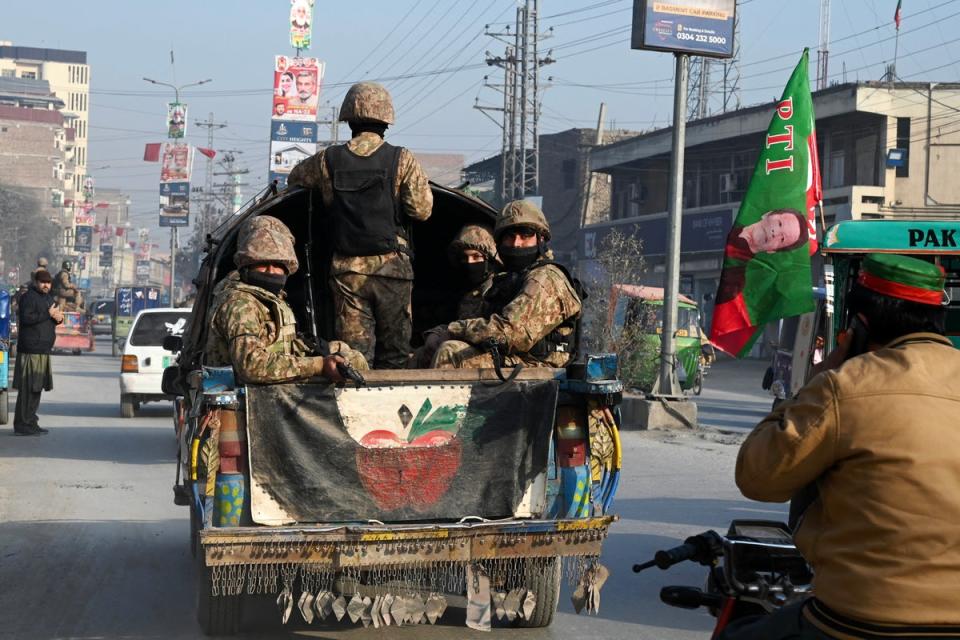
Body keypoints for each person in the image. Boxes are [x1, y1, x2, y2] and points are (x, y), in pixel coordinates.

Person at [726, 253, 960, 639]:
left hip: (861, 620)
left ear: (859, 326)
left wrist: (812, 384)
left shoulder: (844, 386)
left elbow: (757, 478)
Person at [287, 82, 433, 369]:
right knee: (396, 355)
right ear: (386, 119)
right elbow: (422, 210)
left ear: (348, 119)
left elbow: (295, 178)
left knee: (355, 358)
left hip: (348, 272)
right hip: (393, 271)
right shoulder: (402, 159)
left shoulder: (327, 160)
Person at [205, 215, 367, 384]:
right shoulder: (240, 303)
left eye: (277, 265)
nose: (270, 271)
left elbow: (278, 348)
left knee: (352, 357)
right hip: (245, 403)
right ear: (246, 264)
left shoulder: (267, 300)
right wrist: (318, 365)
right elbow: (251, 365)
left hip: (270, 396)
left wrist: (321, 350)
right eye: (262, 263)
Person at [430, 200, 582, 369]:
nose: (516, 243)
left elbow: (510, 333)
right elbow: (476, 319)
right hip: (509, 361)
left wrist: (452, 330)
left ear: (541, 239)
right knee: (426, 352)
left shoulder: (547, 278)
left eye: (525, 235)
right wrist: (438, 333)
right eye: (509, 236)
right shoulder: (507, 280)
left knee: (450, 353)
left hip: (537, 370)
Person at [12, 270, 62, 435]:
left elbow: (52, 319)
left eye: (48, 282)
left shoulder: (48, 299)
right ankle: (22, 425)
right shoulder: (28, 298)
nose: (46, 285)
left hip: (43, 350)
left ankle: (31, 421)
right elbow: (26, 319)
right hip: (30, 350)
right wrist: (47, 314)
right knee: (27, 388)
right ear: (36, 282)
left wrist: (58, 318)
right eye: (43, 282)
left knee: (36, 388)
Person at [448, 223, 501, 320]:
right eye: (464, 257)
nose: (469, 262)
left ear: (490, 259)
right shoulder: (468, 290)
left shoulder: (498, 291)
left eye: (476, 256)